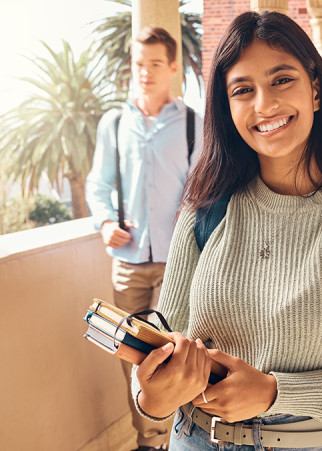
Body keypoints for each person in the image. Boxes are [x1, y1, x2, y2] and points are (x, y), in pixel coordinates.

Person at [129, 11, 322, 451]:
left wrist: (276, 393)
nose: (264, 105)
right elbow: (168, 344)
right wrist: (153, 398)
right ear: (227, 106)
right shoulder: (204, 210)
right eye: (242, 90)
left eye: (281, 80)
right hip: (194, 438)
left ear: (315, 88)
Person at [86, 27, 202, 451]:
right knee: (130, 356)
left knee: (173, 354)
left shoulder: (193, 123)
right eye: (139, 64)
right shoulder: (114, 123)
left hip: (178, 262)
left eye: (155, 64)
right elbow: (98, 185)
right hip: (128, 261)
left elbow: (202, 189)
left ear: (173, 67)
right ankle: (150, 440)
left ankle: (180, 436)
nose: (146, 72)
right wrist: (103, 224)